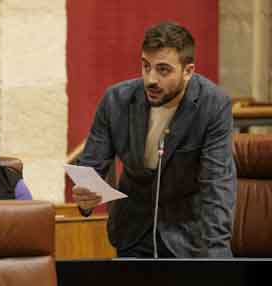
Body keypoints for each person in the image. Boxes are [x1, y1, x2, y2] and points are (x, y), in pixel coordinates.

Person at [72, 21, 236, 258]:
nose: (151, 79)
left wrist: (217, 261)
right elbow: (90, 167)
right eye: (146, 66)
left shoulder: (213, 105)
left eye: (163, 70)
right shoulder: (116, 101)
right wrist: (85, 198)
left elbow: (217, 184)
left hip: (189, 240)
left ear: (188, 71)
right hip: (133, 233)